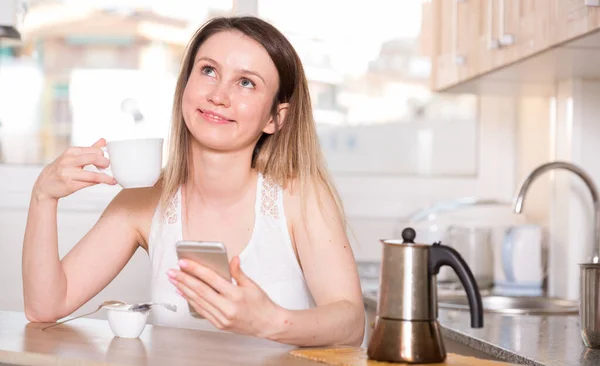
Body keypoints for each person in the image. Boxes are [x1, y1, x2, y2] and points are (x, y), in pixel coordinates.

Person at [22, 16, 365, 347]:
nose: (219, 94)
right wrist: (43, 197)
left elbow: (351, 324)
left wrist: (270, 321)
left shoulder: (300, 197)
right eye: (208, 70)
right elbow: (46, 307)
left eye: (246, 82)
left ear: (276, 117)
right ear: (186, 84)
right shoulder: (143, 201)